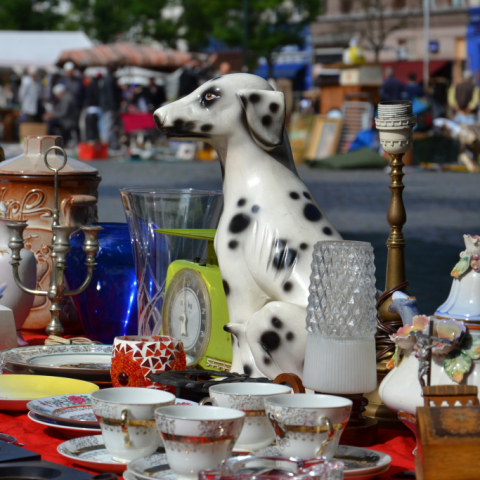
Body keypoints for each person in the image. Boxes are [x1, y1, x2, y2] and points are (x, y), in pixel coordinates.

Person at [100, 61, 122, 149]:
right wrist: (115, 108)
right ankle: (106, 147)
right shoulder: (109, 79)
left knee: (111, 127)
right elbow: (110, 95)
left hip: (109, 107)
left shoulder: (109, 77)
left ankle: (112, 146)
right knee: (108, 127)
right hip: (110, 107)